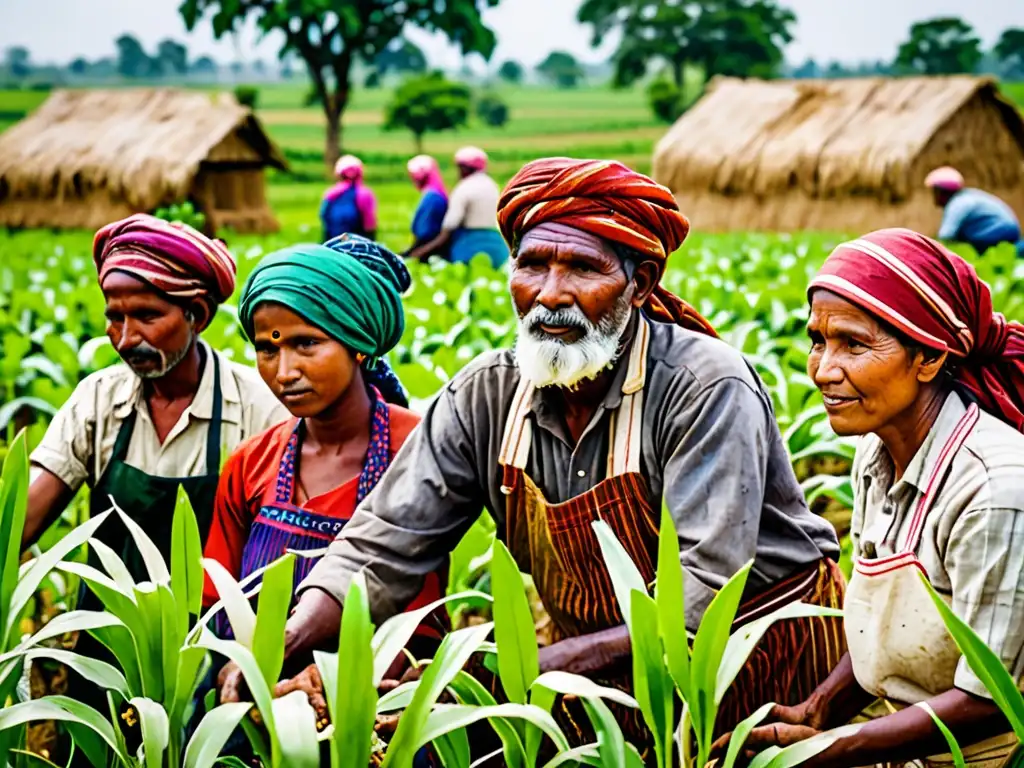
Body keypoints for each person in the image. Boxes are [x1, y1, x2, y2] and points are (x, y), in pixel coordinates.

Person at [219, 158, 843, 751]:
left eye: (582, 268)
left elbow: (700, 599)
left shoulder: (704, 388)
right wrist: (284, 639)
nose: (550, 294)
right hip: (598, 669)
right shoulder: (485, 395)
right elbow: (384, 541)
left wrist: (511, 670)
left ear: (640, 282)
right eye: (532, 265)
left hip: (757, 665)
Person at [714, 228, 1024, 767]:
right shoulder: (874, 454)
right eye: (818, 340)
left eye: (854, 344)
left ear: (928, 358)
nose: (823, 370)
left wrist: (829, 748)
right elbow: (877, 626)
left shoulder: (994, 489)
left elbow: (991, 697)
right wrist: (816, 710)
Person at [24, 213, 287, 762]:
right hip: (107, 650)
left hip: (214, 655)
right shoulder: (98, 402)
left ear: (196, 314)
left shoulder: (255, 408)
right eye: (114, 317)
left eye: (147, 315)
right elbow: (23, 518)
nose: (125, 337)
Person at [407, 146, 509, 268]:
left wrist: (419, 253)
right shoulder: (493, 186)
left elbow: (448, 228)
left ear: (464, 168)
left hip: (469, 246)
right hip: (499, 247)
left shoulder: (463, 188)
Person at [926, 166, 1021, 255]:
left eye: (935, 191)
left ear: (941, 192)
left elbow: (946, 236)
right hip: (1009, 230)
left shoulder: (957, 203)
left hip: (998, 232)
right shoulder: (967, 196)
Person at [320, 154, 377, 241]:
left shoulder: (331, 193)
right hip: (357, 241)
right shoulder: (364, 194)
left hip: (333, 239)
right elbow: (369, 223)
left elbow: (323, 214)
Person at [404, 154, 449, 260]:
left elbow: (425, 232)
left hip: (428, 250)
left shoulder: (432, 197)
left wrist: (411, 253)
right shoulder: (437, 193)